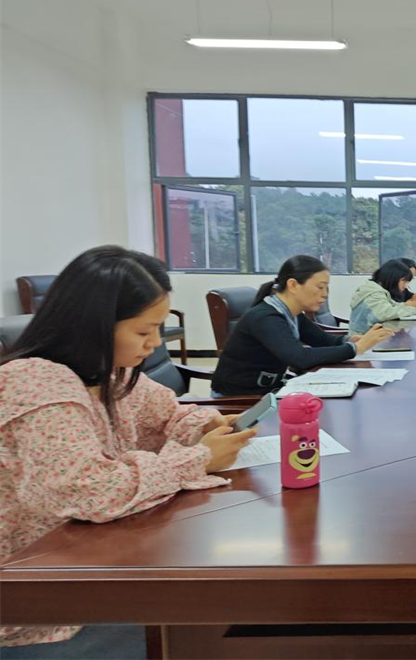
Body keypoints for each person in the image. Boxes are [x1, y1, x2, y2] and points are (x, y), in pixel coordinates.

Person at [0, 246, 257, 655]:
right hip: (39, 600)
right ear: (93, 325)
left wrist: (206, 426)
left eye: (158, 328)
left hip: (100, 563)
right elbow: (93, 491)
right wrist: (200, 457)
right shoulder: (36, 384)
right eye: (143, 331)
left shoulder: (110, 373)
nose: (154, 344)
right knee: (213, 624)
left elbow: (169, 415)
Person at [212, 256, 393, 396]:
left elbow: (323, 340)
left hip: (267, 392)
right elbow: (299, 358)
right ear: (293, 285)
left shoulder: (292, 313)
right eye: (320, 287)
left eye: (326, 288)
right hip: (239, 398)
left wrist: (351, 340)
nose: (325, 294)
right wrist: (355, 348)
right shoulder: (265, 317)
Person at [349, 259, 416, 335]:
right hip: (361, 338)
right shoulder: (374, 293)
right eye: (404, 281)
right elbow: (385, 313)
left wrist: (407, 307)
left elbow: (392, 306)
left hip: (371, 335)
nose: (405, 285)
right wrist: (411, 310)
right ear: (392, 278)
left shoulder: (379, 290)